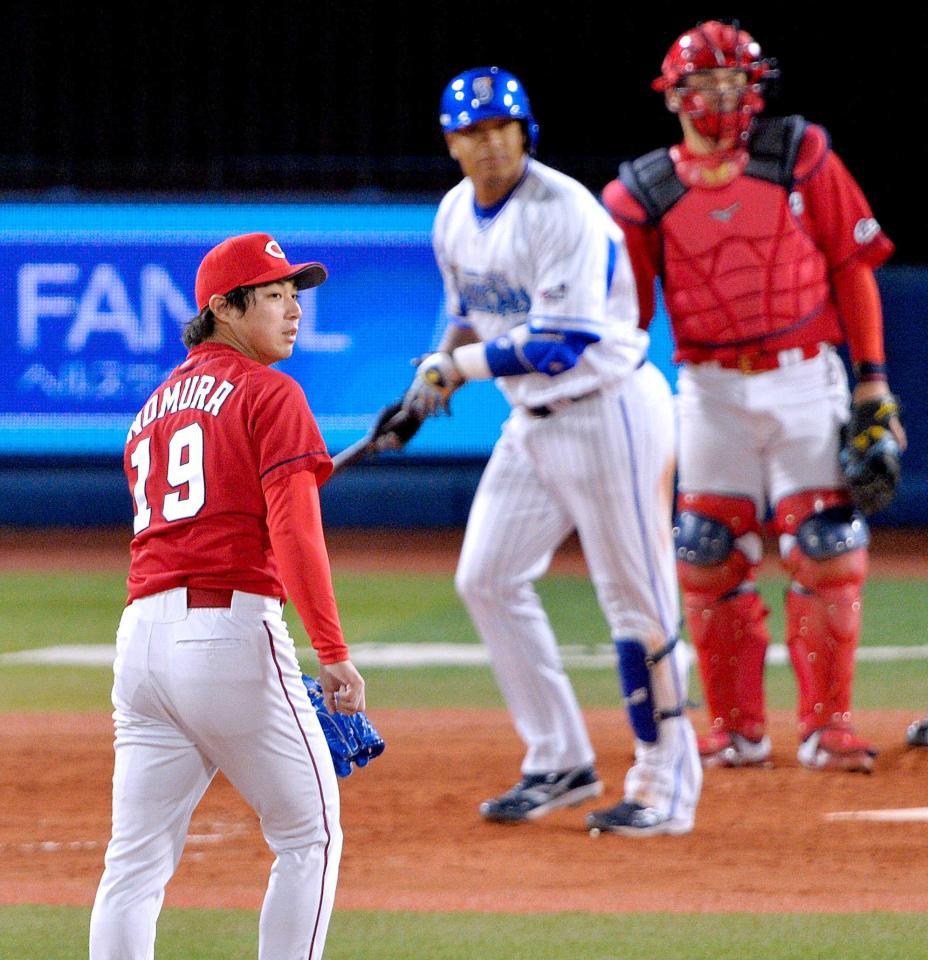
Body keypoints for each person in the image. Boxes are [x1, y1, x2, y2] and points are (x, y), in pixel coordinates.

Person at [403, 66, 702, 837]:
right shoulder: (453, 215)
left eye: (500, 127)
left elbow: (562, 343)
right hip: (532, 423)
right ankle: (559, 757)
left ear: (525, 132)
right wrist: (434, 373)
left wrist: (456, 369)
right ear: (450, 143)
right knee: (487, 578)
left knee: (639, 604)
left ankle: (666, 784)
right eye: (471, 132)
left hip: (610, 414)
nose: (488, 144)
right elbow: (469, 317)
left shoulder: (565, 209)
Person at [602, 21, 907, 773]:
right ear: (675, 96)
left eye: (736, 83)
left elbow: (853, 265)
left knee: (828, 544)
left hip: (807, 374)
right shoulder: (636, 194)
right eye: (708, 85)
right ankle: (737, 729)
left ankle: (827, 726)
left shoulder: (800, 153)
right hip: (707, 386)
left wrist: (872, 383)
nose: (724, 99)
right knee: (705, 554)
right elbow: (628, 319)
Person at [89, 232, 366, 960]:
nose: (293, 309)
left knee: (134, 864)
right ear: (222, 307)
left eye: (293, 294)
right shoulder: (272, 393)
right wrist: (332, 652)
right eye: (273, 294)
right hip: (225, 632)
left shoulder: (152, 408)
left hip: (140, 644)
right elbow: (296, 536)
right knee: (311, 834)